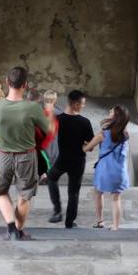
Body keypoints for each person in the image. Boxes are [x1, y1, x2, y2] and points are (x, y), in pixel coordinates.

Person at [0, 66, 52, 240]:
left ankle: (11, 229)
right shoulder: (33, 108)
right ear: (26, 85)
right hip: (26, 157)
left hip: (2, 155)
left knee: (1, 192)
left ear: (7, 82)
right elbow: (47, 130)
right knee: (24, 196)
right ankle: (19, 231)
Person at [47, 90, 94, 228]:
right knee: (73, 192)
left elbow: (50, 137)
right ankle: (69, 222)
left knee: (51, 178)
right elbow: (90, 147)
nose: (83, 106)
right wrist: (84, 145)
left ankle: (57, 210)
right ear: (75, 104)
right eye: (82, 104)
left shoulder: (58, 120)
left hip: (62, 160)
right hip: (78, 162)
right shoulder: (85, 122)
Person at [85, 104, 131, 230]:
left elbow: (87, 148)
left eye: (111, 112)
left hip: (104, 170)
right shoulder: (126, 135)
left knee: (98, 193)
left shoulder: (103, 134)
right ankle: (115, 226)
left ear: (115, 117)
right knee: (116, 198)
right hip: (120, 172)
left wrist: (84, 145)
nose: (109, 111)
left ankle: (100, 221)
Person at [35, 90, 59, 182]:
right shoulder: (59, 113)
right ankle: (49, 174)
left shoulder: (40, 113)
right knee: (52, 158)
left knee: (43, 158)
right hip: (54, 141)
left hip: (43, 141)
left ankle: (43, 174)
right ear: (55, 100)